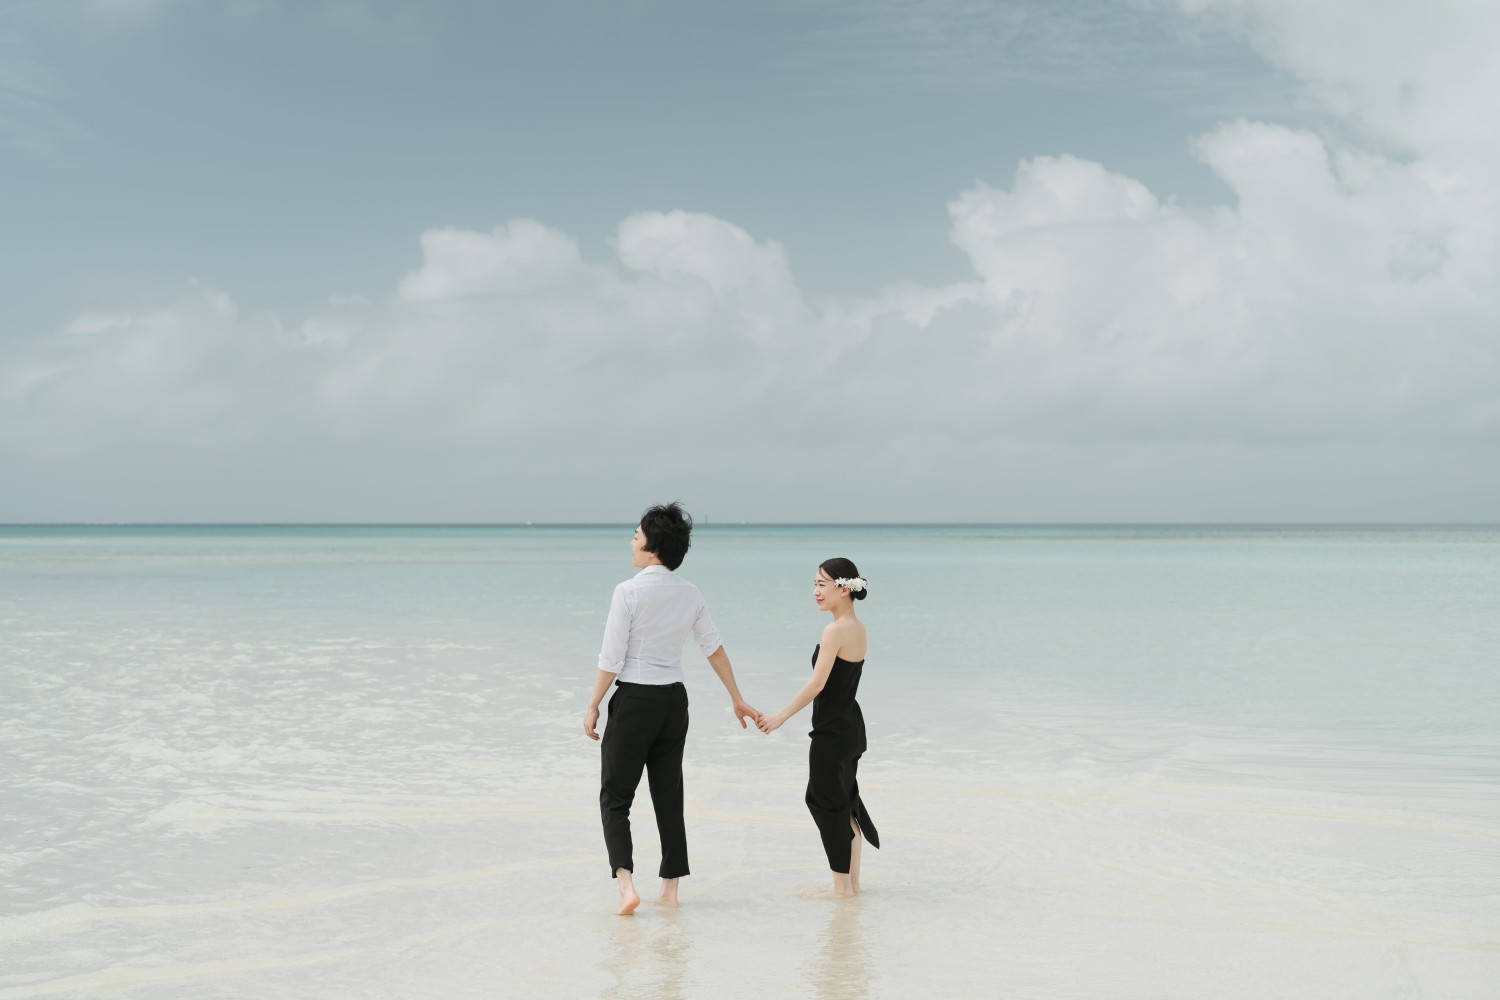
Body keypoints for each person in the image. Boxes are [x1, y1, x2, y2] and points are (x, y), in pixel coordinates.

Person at [583, 502, 760, 915]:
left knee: (615, 797)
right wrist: (736, 697)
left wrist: (593, 703)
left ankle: (626, 883)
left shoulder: (627, 590)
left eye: (636, 535)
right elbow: (712, 647)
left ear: (652, 546)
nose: (631, 541)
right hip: (673, 703)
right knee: (668, 794)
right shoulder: (690, 593)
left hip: (634, 701)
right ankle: (670, 890)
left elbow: (611, 658)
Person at [757, 558, 880, 898]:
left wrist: (779, 717)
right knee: (844, 803)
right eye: (814, 584)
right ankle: (851, 884)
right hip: (851, 728)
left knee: (825, 803)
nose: (815, 592)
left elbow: (816, 685)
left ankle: (841, 887)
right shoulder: (858, 627)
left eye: (822, 585)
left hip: (832, 731)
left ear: (844, 589)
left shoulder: (835, 630)